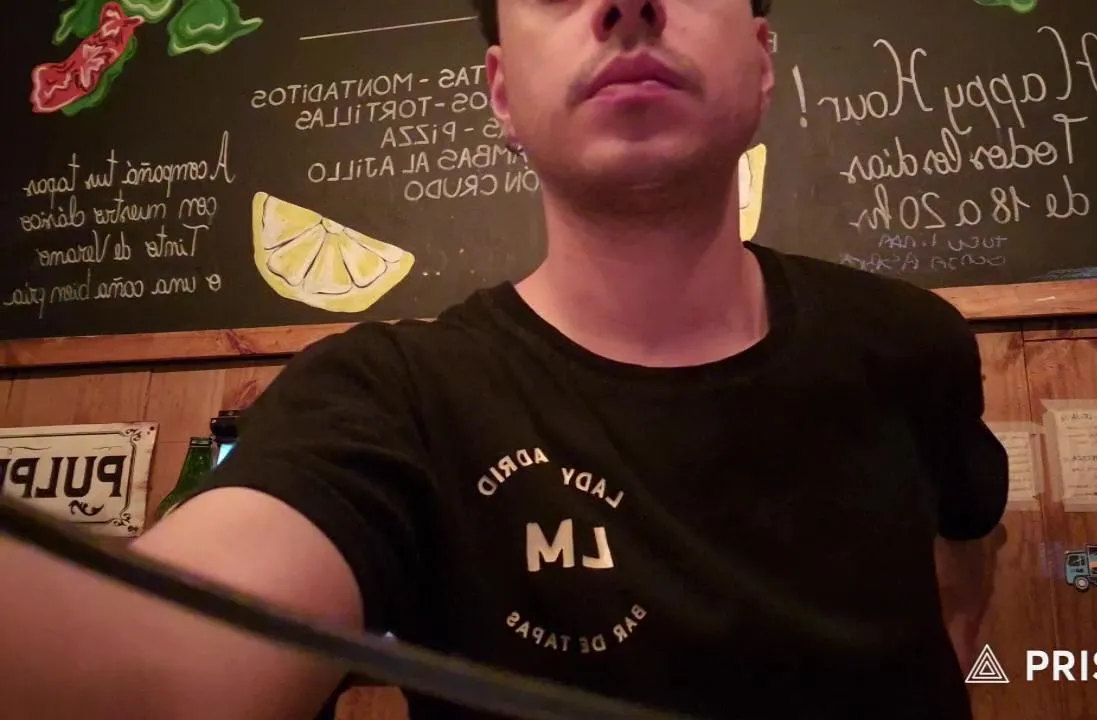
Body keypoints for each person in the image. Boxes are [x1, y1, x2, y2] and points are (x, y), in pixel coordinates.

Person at [0, 0, 1008, 718]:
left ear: (761, 60)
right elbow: (162, 665)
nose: (625, 4)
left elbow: (962, 573)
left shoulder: (911, 342)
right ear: (500, 94)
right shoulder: (392, 400)